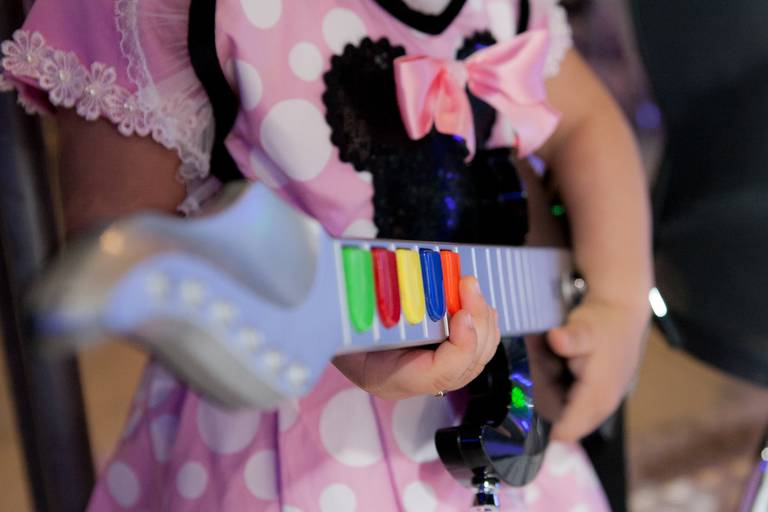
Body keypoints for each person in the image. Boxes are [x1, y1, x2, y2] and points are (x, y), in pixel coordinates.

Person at [0, 0, 651, 510]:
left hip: (507, 417)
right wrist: (339, 331)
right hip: (285, 446)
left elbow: (589, 124)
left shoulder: (502, 5)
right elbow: (123, 235)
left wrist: (620, 301)